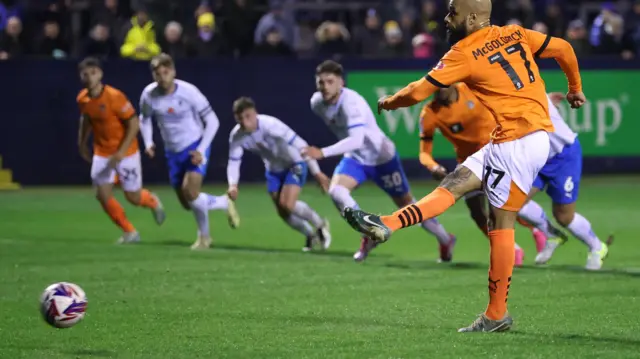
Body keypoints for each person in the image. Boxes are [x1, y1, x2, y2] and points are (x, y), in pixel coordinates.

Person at [341, 0, 585, 332]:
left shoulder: (464, 51)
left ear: (471, 17)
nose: (446, 18)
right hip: (519, 138)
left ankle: (497, 315)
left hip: (517, 143)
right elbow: (564, 48)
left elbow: (419, 92)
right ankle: (386, 223)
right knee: (456, 182)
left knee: (499, 222)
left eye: (452, 12)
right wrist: (575, 89)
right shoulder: (515, 33)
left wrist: (390, 101)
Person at [304, 60, 456, 263]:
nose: (325, 87)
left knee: (407, 205)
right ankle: (369, 232)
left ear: (341, 82)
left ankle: (445, 239)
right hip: (356, 158)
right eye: (320, 82)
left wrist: (322, 152)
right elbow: (354, 144)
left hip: (381, 157)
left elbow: (356, 139)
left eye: (330, 81)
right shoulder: (317, 102)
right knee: (336, 192)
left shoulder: (352, 103)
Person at [419, 83, 568, 266]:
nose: (439, 90)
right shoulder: (430, 113)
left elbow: (509, 91)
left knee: (500, 205)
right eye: (435, 86)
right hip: (470, 162)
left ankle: (536, 232)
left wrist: (544, 100)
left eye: (443, 85)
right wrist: (433, 167)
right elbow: (424, 153)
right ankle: (514, 248)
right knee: (476, 212)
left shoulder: (470, 89)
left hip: (497, 152)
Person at [139, 53, 239, 250]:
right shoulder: (149, 94)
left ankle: (204, 238)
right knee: (187, 202)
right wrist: (148, 142)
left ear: (173, 72)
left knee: (191, 192)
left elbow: (213, 121)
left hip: (194, 146)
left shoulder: (189, 92)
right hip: (172, 152)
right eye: (157, 73)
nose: (162, 77)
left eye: (165, 72)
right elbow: (144, 118)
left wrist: (201, 149)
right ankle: (222, 202)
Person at [518, 93, 613, 270]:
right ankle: (552, 234)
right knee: (512, 201)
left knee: (564, 216)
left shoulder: (525, 96)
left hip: (564, 155)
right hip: (539, 159)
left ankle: (597, 247)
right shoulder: (505, 100)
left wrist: (546, 98)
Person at [76, 57, 165, 244]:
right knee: (102, 194)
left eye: (93, 73)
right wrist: (82, 143)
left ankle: (152, 201)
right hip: (102, 153)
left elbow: (134, 123)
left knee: (133, 196)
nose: (89, 77)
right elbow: (86, 119)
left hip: (127, 153)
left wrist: (121, 152)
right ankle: (130, 232)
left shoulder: (114, 97)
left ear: (100, 74)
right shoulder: (82, 99)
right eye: (85, 74)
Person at [227, 97, 332, 252]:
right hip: (273, 170)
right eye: (240, 119)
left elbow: (301, 145)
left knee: (287, 204)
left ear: (255, 113)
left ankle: (320, 225)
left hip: (294, 163)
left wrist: (316, 172)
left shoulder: (272, 126)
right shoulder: (236, 135)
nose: (244, 122)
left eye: (247, 116)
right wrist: (233, 185)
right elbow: (234, 160)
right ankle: (310, 235)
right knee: (282, 211)